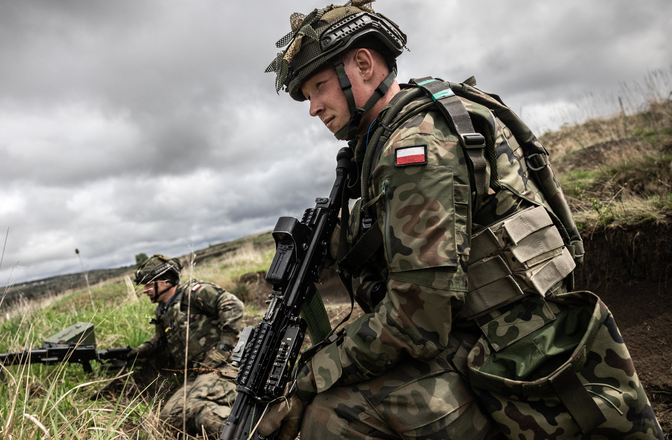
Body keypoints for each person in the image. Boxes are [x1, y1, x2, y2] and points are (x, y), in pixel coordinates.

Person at [258, 1, 664, 439]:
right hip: (523, 329)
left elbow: (417, 324)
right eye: (307, 96)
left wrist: (309, 376)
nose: (314, 107)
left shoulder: (414, 148)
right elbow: (390, 230)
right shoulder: (422, 117)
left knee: (332, 414)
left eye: (319, 86)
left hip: (515, 356)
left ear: (363, 64)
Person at [130, 254, 244, 438]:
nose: (145, 290)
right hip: (197, 372)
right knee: (168, 419)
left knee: (196, 407)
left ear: (166, 282)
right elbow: (160, 340)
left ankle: (251, 431)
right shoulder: (163, 310)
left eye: (149, 284)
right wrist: (136, 352)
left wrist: (224, 348)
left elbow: (233, 305)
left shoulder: (194, 293)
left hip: (223, 365)